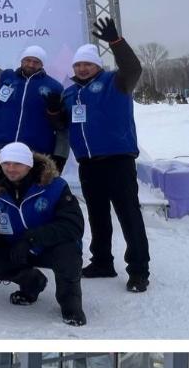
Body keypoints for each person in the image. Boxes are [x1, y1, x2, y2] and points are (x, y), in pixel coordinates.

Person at [52, 17, 150, 292]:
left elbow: (133, 67)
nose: (82, 68)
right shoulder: (70, 93)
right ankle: (103, 261)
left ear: (97, 65)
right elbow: (63, 124)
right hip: (88, 164)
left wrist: (115, 42)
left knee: (129, 215)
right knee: (97, 215)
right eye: (78, 64)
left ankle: (139, 270)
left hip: (118, 160)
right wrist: (53, 112)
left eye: (87, 64)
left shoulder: (116, 82)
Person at [0, 142, 87, 326]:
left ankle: (70, 302)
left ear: (29, 164)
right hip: (16, 249)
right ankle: (31, 283)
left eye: (17, 163)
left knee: (68, 255)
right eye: (6, 163)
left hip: (50, 246)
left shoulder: (55, 186)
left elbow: (73, 225)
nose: (11, 168)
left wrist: (31, 239)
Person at [0, 16, 68, 170]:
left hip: (38, 151)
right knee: (5, 189)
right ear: (21, 60)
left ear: (42, 64)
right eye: (27, 60)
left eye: (36, 61)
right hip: (6, 148)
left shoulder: (54, 87)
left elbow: (63, 127)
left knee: (34, 190)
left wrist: (60, 156)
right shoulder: (6, 78)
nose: (30, 64)